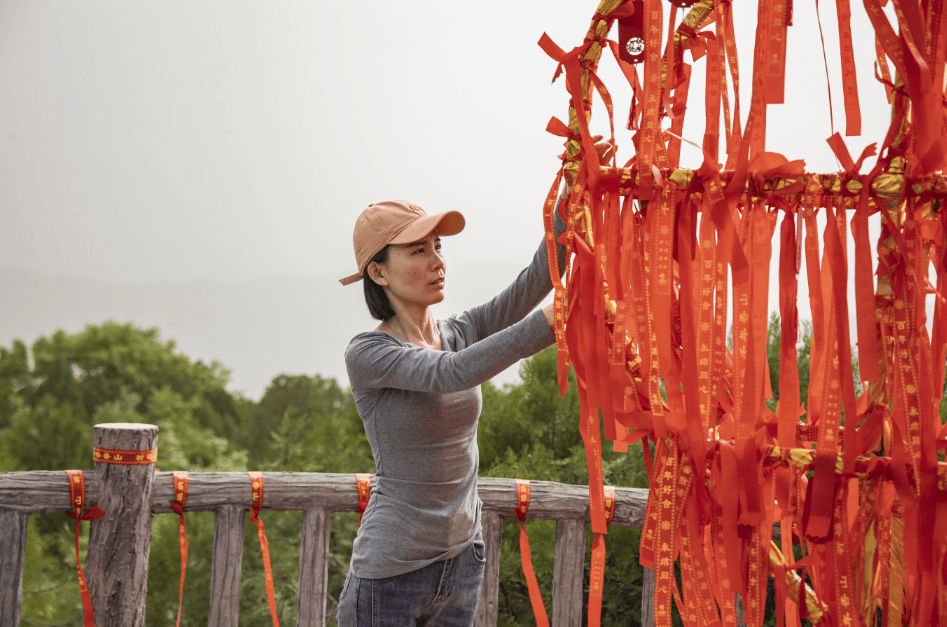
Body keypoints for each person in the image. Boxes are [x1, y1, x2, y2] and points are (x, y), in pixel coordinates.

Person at [336, 197, 565, 626]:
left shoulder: (458, 332)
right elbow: (451, 373)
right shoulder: (368, 353)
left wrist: (576, 190)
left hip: (462, 561)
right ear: (379, 272)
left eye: (438, 246)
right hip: (391, 573)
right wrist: (547, 324)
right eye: (419, 251)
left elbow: (537, 279)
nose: (437, 261)